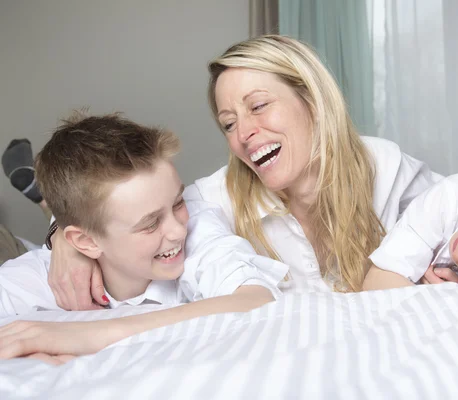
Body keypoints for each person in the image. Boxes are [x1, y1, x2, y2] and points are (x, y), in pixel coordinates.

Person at [48, 34, 442, 309]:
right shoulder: (215, 198)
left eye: (257, 106)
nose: (245, 134)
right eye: (228, 123)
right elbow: (113, 199)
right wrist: (58, 238)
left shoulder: (384, 165)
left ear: (312, 99)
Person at [0, 112, 287, 359]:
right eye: (150, 224)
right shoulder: (38, 276)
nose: (177, 230)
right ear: (86, 242)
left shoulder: (198, 227)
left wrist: (92, 333)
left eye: (178, 202)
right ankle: (44, 199)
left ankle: (45, 200)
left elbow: (256, 298)